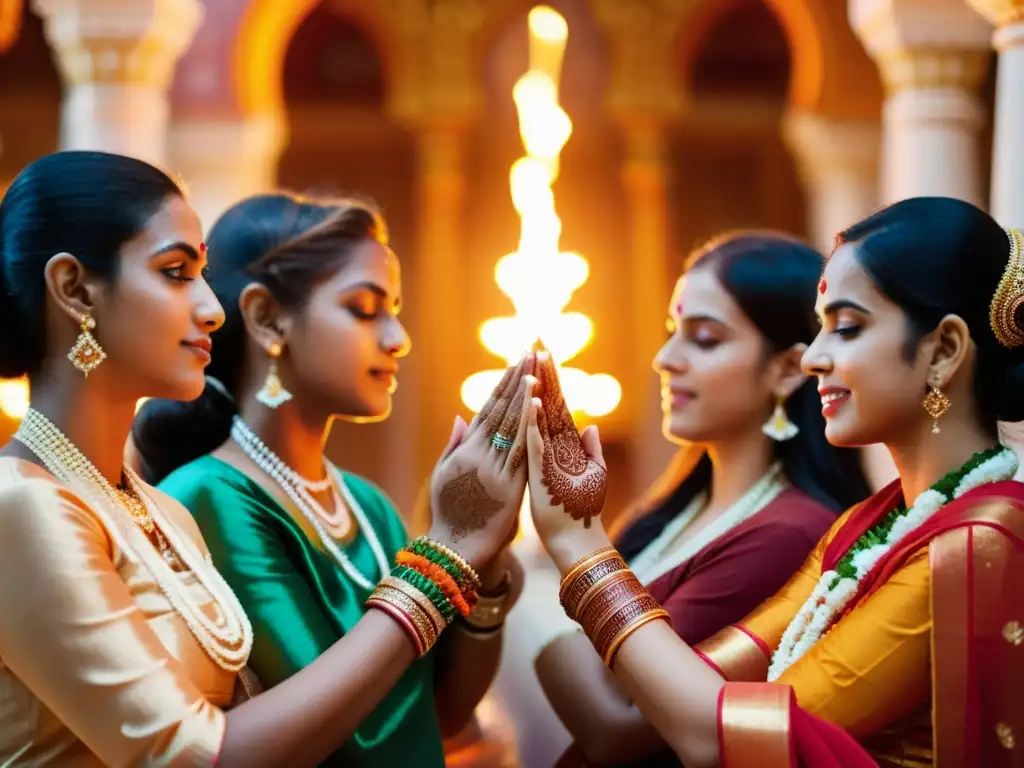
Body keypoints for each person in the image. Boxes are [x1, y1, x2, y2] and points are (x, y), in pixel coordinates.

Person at [0, 151, 530, 767]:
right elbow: (200, 757)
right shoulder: (25, 504)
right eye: (175, 271)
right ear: (74, 288)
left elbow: (409, 713)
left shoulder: (165, 514)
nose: (212, 309)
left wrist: (476, 561)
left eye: (201, 272)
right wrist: (445, 560)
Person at [523, 196, 1024, 767]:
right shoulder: (866, 529)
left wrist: (578, 545)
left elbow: (721, 737)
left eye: (848, 328)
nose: (813, 357)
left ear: (944, 351)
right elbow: (700, 682)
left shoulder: (976, 542)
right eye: (820, 330)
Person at [131, 192, 526, 767]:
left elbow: (440, 714)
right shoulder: (206, 499)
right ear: (268, 318)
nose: (398, 338)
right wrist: (447, 552)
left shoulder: (366, 506)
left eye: (394, 309)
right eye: (365, 309)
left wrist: (483, 560)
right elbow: (351, 736)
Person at [528, 233, 871, 766]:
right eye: (672, 333)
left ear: (786, 369)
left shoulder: (788, 534)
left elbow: (613, 726)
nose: (666, 359)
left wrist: (539, 593)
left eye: (705, 339)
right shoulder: (668, 509)